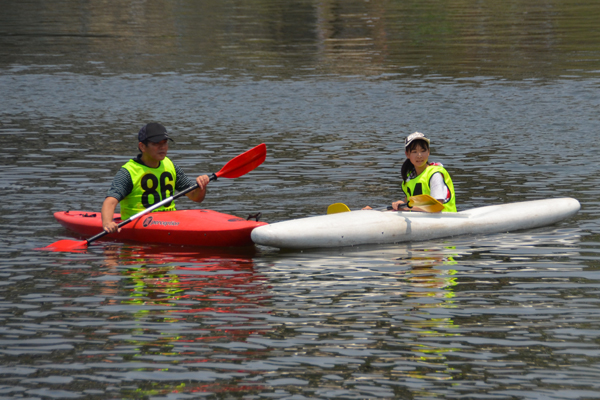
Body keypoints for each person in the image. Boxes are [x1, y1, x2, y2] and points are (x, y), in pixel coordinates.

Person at [101, 122, 210, 233]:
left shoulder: (170, 166)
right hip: (138, 224)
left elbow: (196, 197)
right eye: (156, 143)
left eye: (165, 143)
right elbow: (110, 201)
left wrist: (201, 186)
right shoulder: (128, 171)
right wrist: (107, 223)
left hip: (171, 222)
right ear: (142, 146)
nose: (162, 147)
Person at [364, 131, 457, 212]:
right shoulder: (409, 177)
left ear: (428, 152)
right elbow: (408, 205)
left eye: (423, 151)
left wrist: (406, 207)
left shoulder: (435, 174)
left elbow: (437, 206)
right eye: (414, 152)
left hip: (445, 218)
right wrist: (399, 205)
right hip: (422, 219)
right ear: (407, 154)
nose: (419, 155)